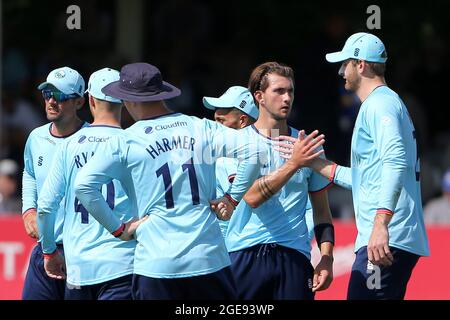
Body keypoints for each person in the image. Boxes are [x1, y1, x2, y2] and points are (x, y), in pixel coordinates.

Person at [73, 62, 263, 300]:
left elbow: (83, 185)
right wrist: (232, 199)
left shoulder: (125, 141)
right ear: (161, 93)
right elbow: (255, 152)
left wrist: (119, 229)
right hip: (207, 259)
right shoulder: (201, 127)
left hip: (156, 263)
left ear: (128, 100)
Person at [276, 32, 430, 300]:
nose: (340, 72)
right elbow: (365, 177)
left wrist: (381, 223)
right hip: (389, 236)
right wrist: (313, 162)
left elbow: (396, 161)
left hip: (386, 238)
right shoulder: (382, 103)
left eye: (344, 63)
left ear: (361, 65)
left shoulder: (379, 104)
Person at [220, 62, 334, 300]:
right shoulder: (236, 144)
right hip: (245, 254)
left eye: (290, 91)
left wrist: (326, 258)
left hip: (294, 257)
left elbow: (322, 212)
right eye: (279, 91)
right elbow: (251, 197)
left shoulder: (307, 146)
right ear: (259, 97)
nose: (287, 98)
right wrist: (293, 164)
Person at [37, 68, 145, 300]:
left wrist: (49, 252)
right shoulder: (134, 142)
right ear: (124, 101)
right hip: (123, 263)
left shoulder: (69, 146)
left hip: (79, 268)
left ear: (91, 100)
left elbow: (46, 206)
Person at [21, 66, 88, 300]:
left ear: (79, 102)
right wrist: (28, 209)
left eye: (60, 96)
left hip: (80, 252)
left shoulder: (93, 140)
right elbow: (29, 173)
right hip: (44, 248)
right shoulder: (36, 137)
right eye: (47, 94)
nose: (51, 101)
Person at [202, 85, 258, 237]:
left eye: (220, 121)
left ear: (242, 121)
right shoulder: (275, 150)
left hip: (233, 250)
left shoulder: (225, 160)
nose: (215, 127)